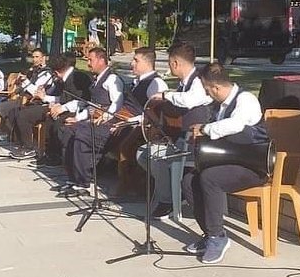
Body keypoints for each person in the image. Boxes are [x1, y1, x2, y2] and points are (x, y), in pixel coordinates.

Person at [180, 61, 269, 264]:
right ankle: (210, 233)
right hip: (231, 161)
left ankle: (217, 237)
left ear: (216, 88)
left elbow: (235, 126)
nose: (207, 94)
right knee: (189, 180)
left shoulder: (246, 100)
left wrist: (205, 129)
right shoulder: (220, 106)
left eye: (207, 90)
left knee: (211, 178)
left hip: (253, 166)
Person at [142, 40, 213, 219]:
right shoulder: (184, 83)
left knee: (154, 155)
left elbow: (189, 100)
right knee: (144, 153)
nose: (169, 67)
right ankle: (170, 196)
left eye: (169, 63)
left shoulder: (199, 81)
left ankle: (169, 200)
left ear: (175, 63)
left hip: (197, 141)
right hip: (183, 138)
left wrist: (166, 95)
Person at [53, 47, 125, 196]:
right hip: (94, 120)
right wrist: (77, 118)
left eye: (90, 60)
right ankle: (73, 178)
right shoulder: (96, 81)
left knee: (81, 133)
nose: (88, 63)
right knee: (66, 130)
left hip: (109, 125)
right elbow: (92, 106)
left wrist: (102, 119)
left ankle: (84, 182)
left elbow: (116, 105)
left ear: (101, 60)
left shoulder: (112, 79)